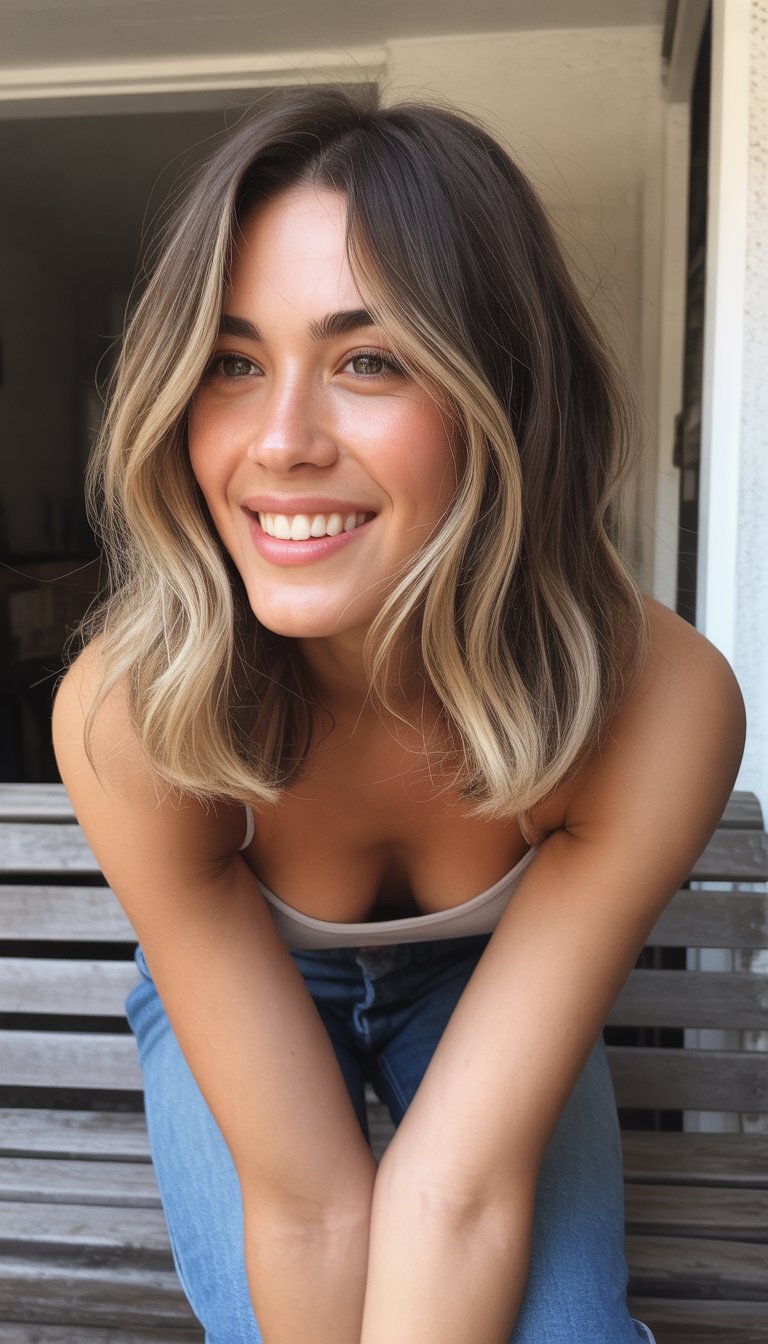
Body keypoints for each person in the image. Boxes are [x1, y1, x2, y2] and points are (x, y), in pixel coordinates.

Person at [52, 85, 745, 1344]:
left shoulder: (658, 701)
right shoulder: (128, 711)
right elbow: (309, 1205)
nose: (280, 440)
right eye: (231, 363)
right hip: (253, 986)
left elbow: (458, 1194)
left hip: (490, 989)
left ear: (510, 393)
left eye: (369, 360)